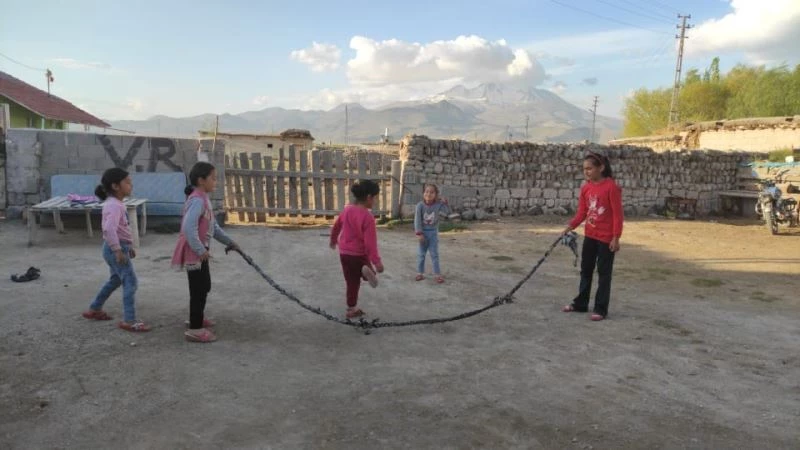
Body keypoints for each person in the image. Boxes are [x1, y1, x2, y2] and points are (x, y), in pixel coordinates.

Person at [172, 162, 238, 343]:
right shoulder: (197, 200)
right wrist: (200, 249)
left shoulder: (204, 199)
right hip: (195, 252)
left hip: (201, 251)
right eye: (213, 178)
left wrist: (230, 242)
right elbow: (188, 227)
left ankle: (198, 318)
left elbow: (214, 227)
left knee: (204, 286)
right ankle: (195, 328)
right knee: (198, 289)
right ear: (201, 180)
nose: (216, 182)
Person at [82, 168, 151, 332]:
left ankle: (95, 308)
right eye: (127, 182)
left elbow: (121, 229)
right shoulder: (114, 206)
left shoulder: (116, 204)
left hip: (117, 247)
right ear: (115, 186)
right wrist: (118, 250)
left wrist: (128, 248)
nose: (131, 185)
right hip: (115, 248)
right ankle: (130, 320)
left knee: (116, 279)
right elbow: (109, 229)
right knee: (130, 282)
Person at [562, 151, 623, 321]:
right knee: (586, 270)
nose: (586, 172)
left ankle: (600, 309)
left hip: (606, 238)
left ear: (601, 168)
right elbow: (582, 212)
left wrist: (616, 237)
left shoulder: (611, 187)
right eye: (584, 169)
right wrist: (570, 226)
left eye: (589, 168)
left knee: (604, 274)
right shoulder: (586, 188)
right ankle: (581, 303)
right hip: (591, 235)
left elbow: (618, 215)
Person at [329, 179, 384, 319]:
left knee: (351, 281)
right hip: (359, 254)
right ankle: (367, 272)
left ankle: (351, 308)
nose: (375, 201)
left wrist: (333, 240)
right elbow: (370, 243)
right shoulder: (368, 217)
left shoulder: (347, 210)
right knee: (366, 271)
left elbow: (336, 226)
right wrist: (377, 262)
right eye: (375, 198)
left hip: (344, 253)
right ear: (369, 197)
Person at [414, 183, 450, 283]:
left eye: (432, 192)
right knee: (421, 254)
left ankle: (437, 274)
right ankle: (420, 273)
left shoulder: (438, 205)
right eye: (427, 191)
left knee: (434, 254)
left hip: (433, 233)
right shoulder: (419, 206)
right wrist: (419, 234)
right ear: (423, 193)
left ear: (436, 194)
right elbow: (417, 220)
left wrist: (445, 203)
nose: (429, 194)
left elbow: (447, 213)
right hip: (423, 234)